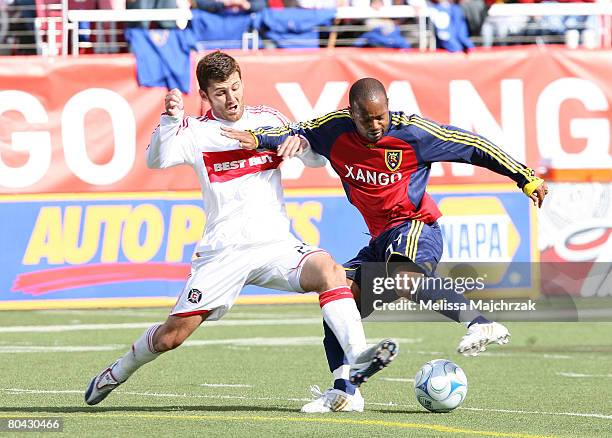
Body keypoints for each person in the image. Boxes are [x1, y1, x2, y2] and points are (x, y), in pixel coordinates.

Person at [84, 56, 398, 410]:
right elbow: (157, 160)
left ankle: (356, 364)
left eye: (235, 87)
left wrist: (305, 147)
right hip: (224, 253)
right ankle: (117, 371)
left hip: (277, 246)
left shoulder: (270, 119)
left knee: (329, 270)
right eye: (220, 93)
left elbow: (316, 160)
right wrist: (169, 120)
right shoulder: (194, 131)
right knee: (172, 337)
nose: (231, 98)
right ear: (204, 95)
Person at [221, 77, 549, 412]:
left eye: (381, 117)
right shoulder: (333, 129)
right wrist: (257, 138)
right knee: (339, 300)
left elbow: (472, 145)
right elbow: (295, 132)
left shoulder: (414, 133)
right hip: (380, 239)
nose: (376, 125)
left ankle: (481, 323)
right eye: (367, 119)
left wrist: (525, 176)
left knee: (404, 277)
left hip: (417, 225)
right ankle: (345, 392)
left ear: (388, 106)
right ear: (352, 113)